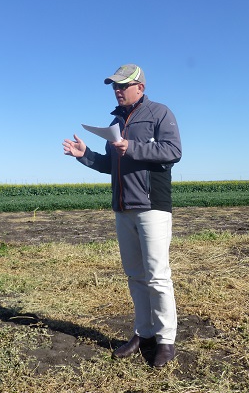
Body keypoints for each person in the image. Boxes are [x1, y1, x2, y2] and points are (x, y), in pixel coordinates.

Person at [63, 64, 182, 368]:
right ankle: (143, 333)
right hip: (123, 208)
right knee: (135, 276)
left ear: (139, 87)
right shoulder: (116, 121)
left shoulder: (159, 113)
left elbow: (173, 151)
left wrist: (133, 147)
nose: (117, 90)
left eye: (123, 85)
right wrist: (85, 155)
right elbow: (110, 165)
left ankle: (166, 339)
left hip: (152, 205)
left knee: (157, 276)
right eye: (114, 86)